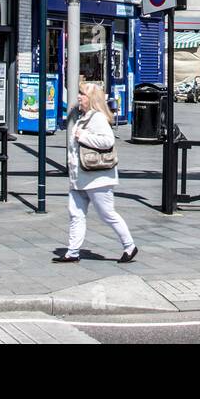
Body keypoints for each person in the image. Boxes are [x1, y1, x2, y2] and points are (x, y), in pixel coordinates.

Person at [54, 83, 137, 264]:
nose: (79, 97)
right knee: (75, 213)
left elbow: (107, 141)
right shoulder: (84, 117)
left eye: (82, 94)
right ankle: (73, 251)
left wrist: (82, 136)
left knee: (107, 214)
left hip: (97, 178)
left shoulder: (97, 118)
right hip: (80, 177)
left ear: (91, 98)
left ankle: (129, 246)